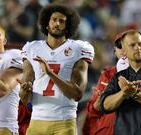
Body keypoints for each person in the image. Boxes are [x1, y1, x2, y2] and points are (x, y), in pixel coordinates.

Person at [19, 4, 94, 135]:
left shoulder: (78, 49)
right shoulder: (32, 48)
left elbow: (77, 94)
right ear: (46, 24)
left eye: (62, 21)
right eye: (54, 20)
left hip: (64, 121)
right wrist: (24, 91)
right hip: (37, 120)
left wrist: (50, 73)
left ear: (68, 26)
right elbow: (24, 98)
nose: (57, 23)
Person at [100, 30, 141, 135]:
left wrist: (135, 94)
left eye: (140, 44)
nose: (137, 47)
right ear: (124, 51)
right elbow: (105, 105)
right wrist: (123, 93)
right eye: (132, 45)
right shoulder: (119, 77)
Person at [82, 33, 129, 135]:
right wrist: (98, 104)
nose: (124, 50)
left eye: (129, 45)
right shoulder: (106, 74)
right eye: (120, 46)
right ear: (115, 51)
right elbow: (92, 111)